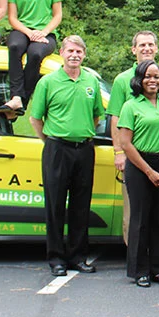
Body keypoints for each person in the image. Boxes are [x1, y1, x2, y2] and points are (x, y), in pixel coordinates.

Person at [28, 35, 102, 276]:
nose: (75, 55)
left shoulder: (91, 81)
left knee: (81, 206)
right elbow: (35, 118)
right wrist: (50, 141)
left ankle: (78, 257)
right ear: (61, 52)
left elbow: (96, 116)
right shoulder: (48, 82)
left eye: (79, 52)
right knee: (55, 205)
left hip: (84, 150)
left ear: (84, 55)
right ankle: (57, 259)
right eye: (70, 51)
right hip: (57, 149)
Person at [117, 60, 159, 287]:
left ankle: (158, 269)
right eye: (148, 76)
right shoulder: (131, 106)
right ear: (139, 79)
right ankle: (139, 270)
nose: (152, 80)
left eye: (156, 77)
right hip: (140, 165)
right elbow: (126, 143)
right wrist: (149, 171)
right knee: (140, 219)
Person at [0, 0, 63, 118]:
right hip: (22, 29)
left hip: (46, 32)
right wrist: (29, 33)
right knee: (15, 47)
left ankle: (20, 101)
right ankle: (16, 96)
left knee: (35, 54)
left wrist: (42, 32)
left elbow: (57, 15)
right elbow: (12, 17)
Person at [108, 30, 159, 179]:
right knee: (133, 201)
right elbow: (115, 118)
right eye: (142, 45)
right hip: (133, 153)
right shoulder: (122, 80)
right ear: (134, 50)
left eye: (151, 45)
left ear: (157, 48)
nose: (147, 48)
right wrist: (118, 152)